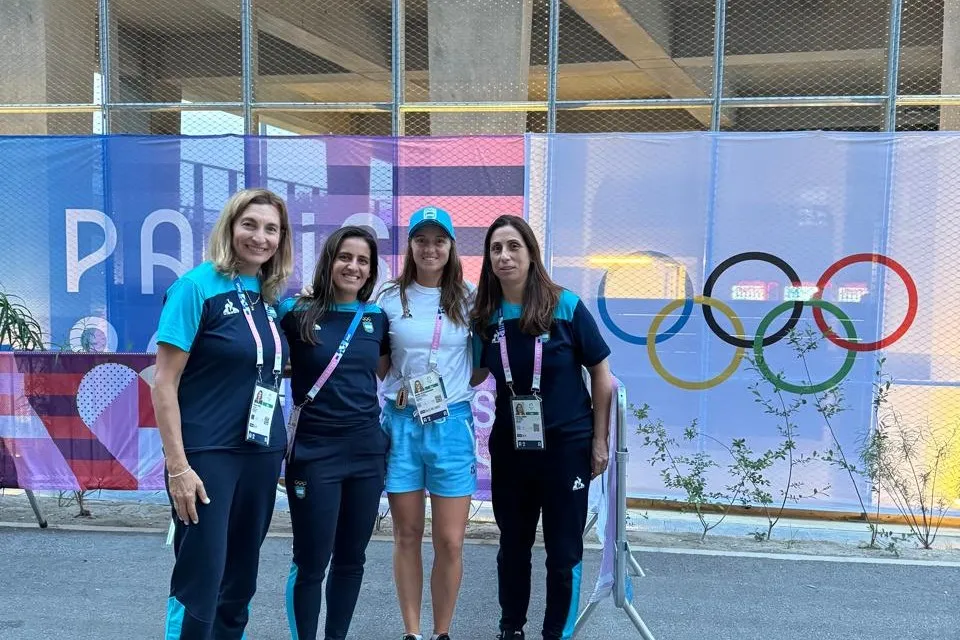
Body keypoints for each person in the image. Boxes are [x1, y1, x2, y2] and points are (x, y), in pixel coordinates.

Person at [152, 188, 294, 639]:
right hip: (207, 455)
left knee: (239, 583)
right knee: (202, 578)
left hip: (260, 454)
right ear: (230, 228)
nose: (260, 236)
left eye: (271, 228)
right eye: (249, 224)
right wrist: (178, 467)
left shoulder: (271, 299)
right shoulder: (195, 287)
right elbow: (164, 382)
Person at [470, 215, 612, 640]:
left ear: (531, 253)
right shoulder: (486, 316)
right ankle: (510, 629)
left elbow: (601, 372)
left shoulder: (563, 305)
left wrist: (599, 441)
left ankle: (556, 633)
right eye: (496, 249)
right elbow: (474, 375)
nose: (504, 256)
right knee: (512, 546)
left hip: (567, 447)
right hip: (511, 450)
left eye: (514, 246)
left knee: (562, 551)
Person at [278, 225, 391, 640]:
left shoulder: (377, 318)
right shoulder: (295, 312)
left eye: (363, 261)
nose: (354, 267)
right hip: (314, 452)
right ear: (330, 260)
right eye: (346, 257)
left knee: (351, 560)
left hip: (365, 453)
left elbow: (382, 372)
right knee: (311, 561)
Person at [376, 205, 480, 640]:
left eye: (439, 240)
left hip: (451, 423)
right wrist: (403, 387)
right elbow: (381, 362)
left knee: (451, 541)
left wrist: (449, 389)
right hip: (401, 424)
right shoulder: (388, 297)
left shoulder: (471, 297)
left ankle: (442, 632)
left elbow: (480, 365)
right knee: (407, 534)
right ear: (410, 245)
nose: (430, 248)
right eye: (422, 239)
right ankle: (413, 632)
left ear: (452, 245)